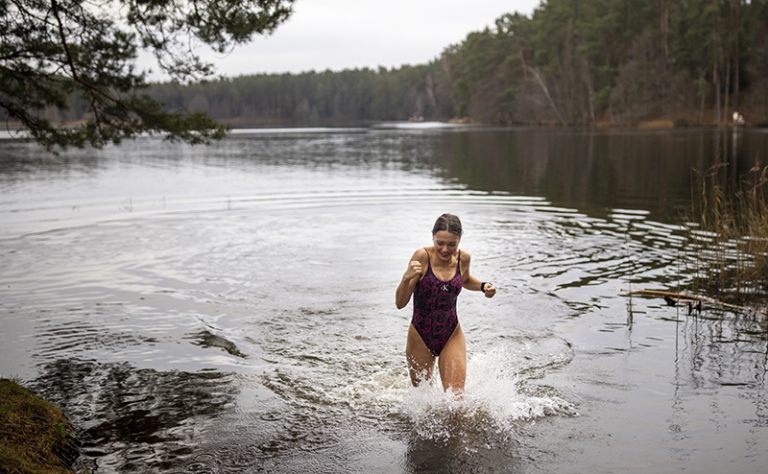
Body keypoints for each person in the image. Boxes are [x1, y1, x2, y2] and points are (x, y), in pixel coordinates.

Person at [395, 213, 496, 396]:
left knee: (456, 400)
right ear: (433, 237)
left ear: (459, 241)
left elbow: (465, 279)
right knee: (422, 400)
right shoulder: (421, 257)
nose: (444, 249)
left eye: (451, 244)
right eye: (440, 243)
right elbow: (400, 303)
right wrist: (406, 278)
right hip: (420, 336)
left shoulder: (463, 258)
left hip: (451, 333)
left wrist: (483, 286)